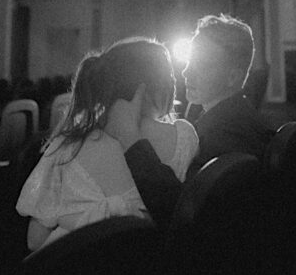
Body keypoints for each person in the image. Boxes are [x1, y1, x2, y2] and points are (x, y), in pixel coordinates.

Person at [16, 38, 199, 251]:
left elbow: (35, 241)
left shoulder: (67, 144)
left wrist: (74, 222)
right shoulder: (184, 137)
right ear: (162, 85)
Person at [106, 14, 275, 227]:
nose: (186, 72)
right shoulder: (231, 115)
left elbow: (181, 210)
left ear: (232, 77)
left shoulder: (227, 133)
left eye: (201, 65)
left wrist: (131, 138)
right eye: (189, 62)